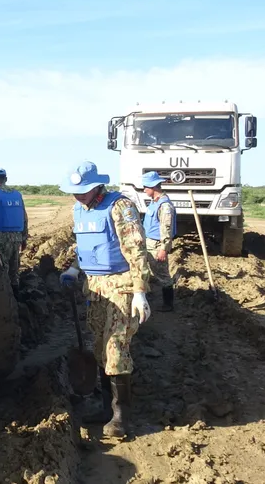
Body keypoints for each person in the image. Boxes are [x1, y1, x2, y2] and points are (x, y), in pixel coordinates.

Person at [57, 161, 151, 439]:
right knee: (99, 347)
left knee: (116, 349)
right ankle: (105, 409)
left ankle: (121, 417)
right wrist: (75, 269)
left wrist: (140, 291)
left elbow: (136, 249)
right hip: (95, 289)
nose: (79, 195)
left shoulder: (120, 206)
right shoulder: (80, 210)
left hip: (121, 286)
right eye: (75, 191)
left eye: (84, 190)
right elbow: (87, 246)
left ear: (98, 185)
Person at [0, 167, 29, 297]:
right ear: (6, 179)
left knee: (3, 269)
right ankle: (17, 296)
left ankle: (7, 300)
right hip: (17, 238)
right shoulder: (17, 195)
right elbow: (24, 217)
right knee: (14, 270)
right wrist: (24, 238)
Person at [141, 171, 177, 312]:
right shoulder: (154, 203)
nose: (144, 190)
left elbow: (166, 229)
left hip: (156, 245)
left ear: (154, 187)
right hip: (148, 243)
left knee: (162, 276)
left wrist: (164, 248)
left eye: (146, 187)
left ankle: (168, 305)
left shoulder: (164, 206)